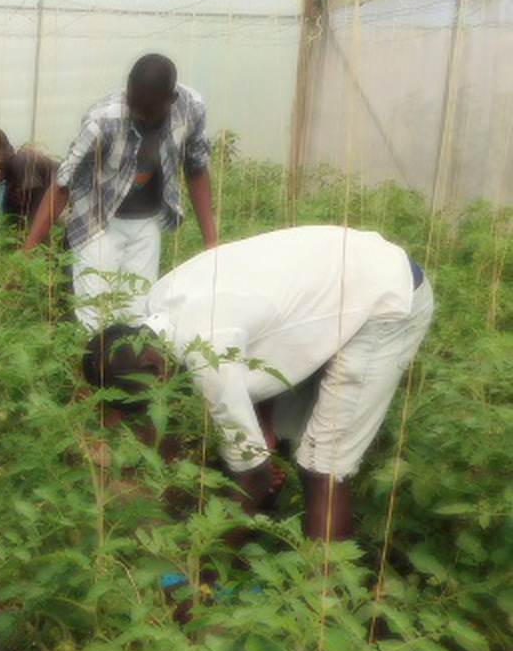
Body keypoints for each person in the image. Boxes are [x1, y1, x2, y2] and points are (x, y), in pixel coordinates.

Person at [81, 226, 434, 545]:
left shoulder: (208, 352)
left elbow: (255, 475)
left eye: (148, 401)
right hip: (341, 269)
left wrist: (206, 567)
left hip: (384, 297)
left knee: (324, 466)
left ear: (153, 370)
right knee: (268, 442)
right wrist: (258, 439)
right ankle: (270, 537)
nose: (160, 407)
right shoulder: (160, 302)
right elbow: (258, 341)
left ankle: (324, 601)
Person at [23, 54, 219, 329]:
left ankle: (125, 369)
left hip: (147, 221)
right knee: (94, 315)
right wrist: (27, 255)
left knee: (137, 313)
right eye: (133, 104)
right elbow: (63, 185)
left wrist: (211, 243)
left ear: (170, 99)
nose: (138, 115)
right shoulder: (102, 120)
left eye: (147, 110)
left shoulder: (191, 109)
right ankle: (92, 368)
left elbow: (196, 168)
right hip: (99, 221)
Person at [0, 127, 57, 231]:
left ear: (10, 150)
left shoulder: (23, 162)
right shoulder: (9, 179)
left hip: (70, 207)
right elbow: (13, 219)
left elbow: (38, 217)